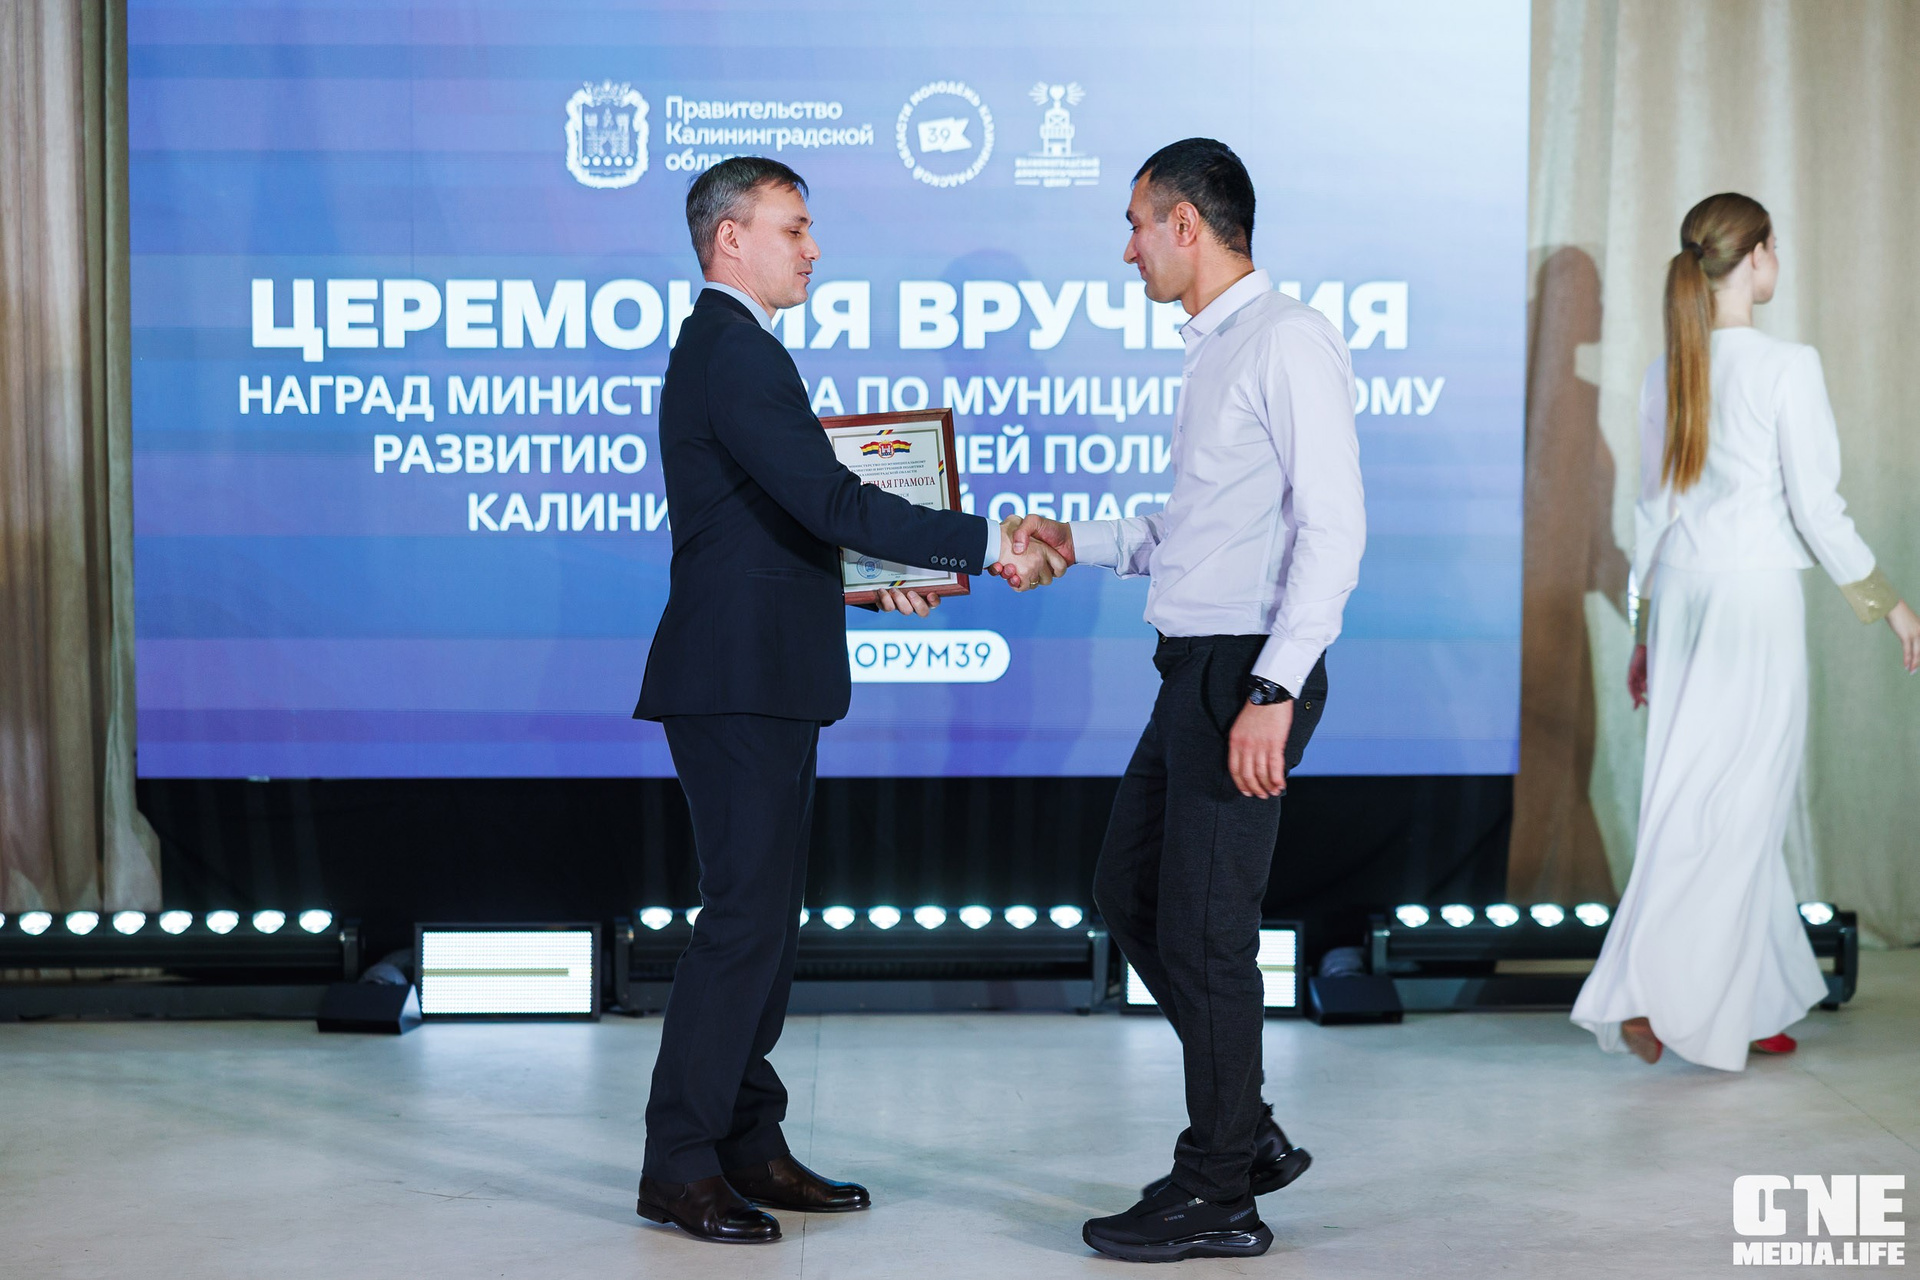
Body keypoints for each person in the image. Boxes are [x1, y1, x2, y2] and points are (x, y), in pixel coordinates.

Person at [631, 156, 1062, 1245]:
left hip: (763, 671)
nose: (813, 248)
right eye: (793, 227)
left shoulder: (735, 349)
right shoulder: (735, 348)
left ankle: (746, 1140)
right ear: (731, 238)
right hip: (735, 680)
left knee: (765, 926)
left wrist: (870, 582)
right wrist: (983, 540)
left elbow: (767, 528)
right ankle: (678, 1162)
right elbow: (827, 497)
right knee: (743, 924)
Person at [1011, 138, 1366, 1263]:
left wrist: (1275, 686)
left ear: (1186, 224)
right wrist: (1079, 542)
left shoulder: (1288, 338)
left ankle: (1218, 1190)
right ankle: (1242, 1128)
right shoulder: (1216, 350)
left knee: (1209, 934)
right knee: (1130, 891)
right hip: (1197, 669)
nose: (1127, 251)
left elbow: (1335, 528)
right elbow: (1197, 531)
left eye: (1135, 225)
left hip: (1244, 671)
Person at [1570, 192, 1920, 1072]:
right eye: (1774, 248)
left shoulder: (1669, 367)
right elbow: (1817, 509)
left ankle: (1750, 997)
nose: (1777, 262)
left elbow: (1652, 514)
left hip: (1687, 603)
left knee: (1702, 803)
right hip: (1754, 605)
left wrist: (1645, 632)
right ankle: (1652, 992)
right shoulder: (1786, 365)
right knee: (1739, 810)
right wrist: (1892, 605)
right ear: (1756, 255)